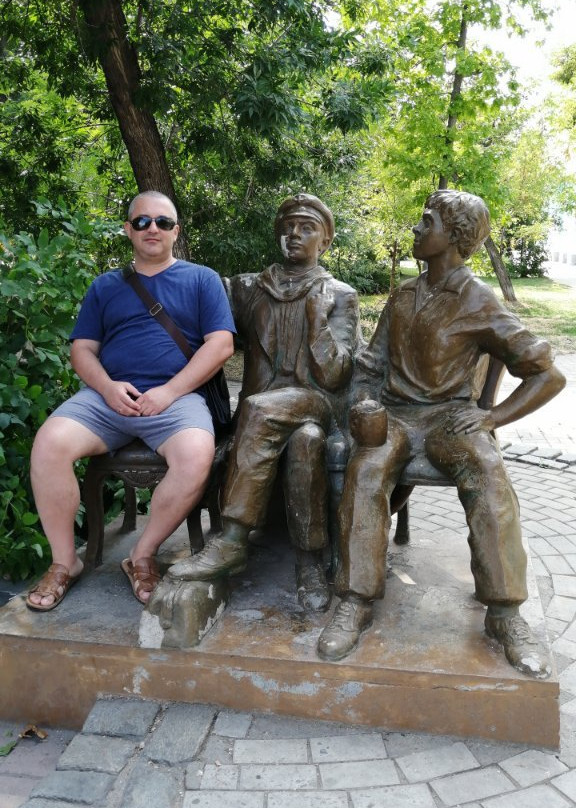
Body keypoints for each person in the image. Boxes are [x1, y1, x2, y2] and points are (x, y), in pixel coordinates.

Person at [317, 189, 566, 677]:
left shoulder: (478, 299)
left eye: (426, 221)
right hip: (395, 414)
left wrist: (493, 419)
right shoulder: (402, 295)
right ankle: (355, 601)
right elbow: (372, 363)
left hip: (450, 417)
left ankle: (505, 613)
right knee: (366, 468)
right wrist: (365, 401)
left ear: (453, 235)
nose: (416, 228)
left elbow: (548, 375)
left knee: (487, 469)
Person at [26, 191, 235, 610]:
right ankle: (65, 562)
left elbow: (221, 345)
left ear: (176, 231)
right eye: (142, 221)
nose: (152, 228)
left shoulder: (202, 279)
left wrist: (169, 391)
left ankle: (142, 555)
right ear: (128, 229)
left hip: (176, 400)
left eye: (162, 222)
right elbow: (82, 351)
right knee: (49, 444)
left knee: (195, 455)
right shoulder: (105, 286)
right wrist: (107, 387)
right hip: (106, 400)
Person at [167, 193, 361, 612]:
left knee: (263, 408)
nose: (294, 234)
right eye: (287, 227)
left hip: (317, 402)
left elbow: (337, 375)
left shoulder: (340, 295)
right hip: (282, 421)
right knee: (306, 441)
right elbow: (193, 314)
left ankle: (233, 539)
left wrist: (317, 321)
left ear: (325, 241)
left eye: (307, 227)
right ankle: (309, 562)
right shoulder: (246, 288)